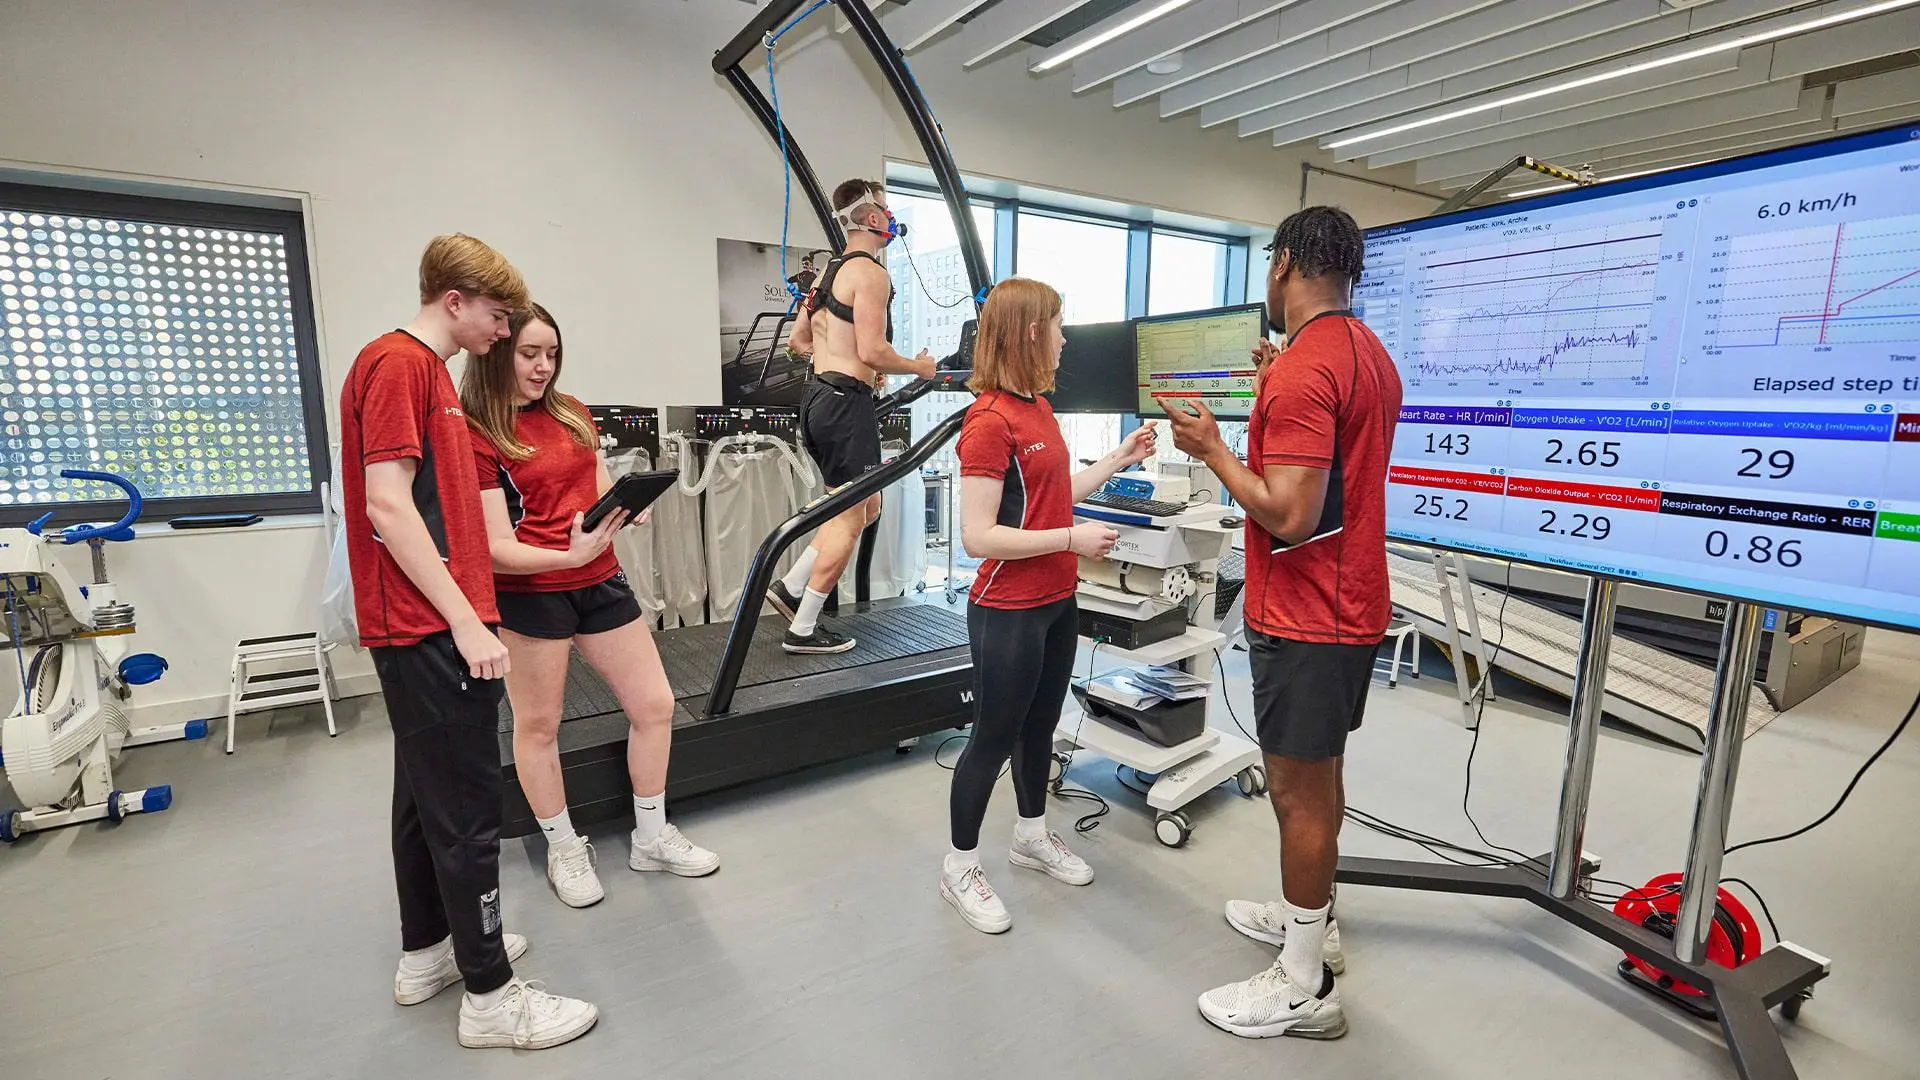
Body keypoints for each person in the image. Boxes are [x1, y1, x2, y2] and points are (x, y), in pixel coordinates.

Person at [339, 234, 597, 1049]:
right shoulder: (400, 364)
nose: (504, 331)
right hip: (424, 628)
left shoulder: (431, 378)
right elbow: (387, 506)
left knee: (422, 801)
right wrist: (463, 618)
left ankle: (430, 954)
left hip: (433, 621)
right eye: (497, 315)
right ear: (453, 301)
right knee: (468, 814)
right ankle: (491, 996)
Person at [1163, 207, 1402, 1040]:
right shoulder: (1361, 354)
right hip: (1350, 603)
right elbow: (1330, 471)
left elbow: (1292, 514)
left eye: (1269, 260)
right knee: (1320, 780)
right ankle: (1314, 921)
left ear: (1288, 262)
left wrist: (1212, 450)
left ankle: (1304, 985)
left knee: (1300, 795)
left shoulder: (1306, 373)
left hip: (1308, 613)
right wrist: (1278, 383)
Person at [462, 303, 721, 911]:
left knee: (656, 706)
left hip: (600, 579)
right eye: (529, 354)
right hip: (532, 594)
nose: (543, 367)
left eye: (551, 354)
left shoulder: (572, 411)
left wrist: (623, 507)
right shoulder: (477, 432)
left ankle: (651, 837)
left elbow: (596, 483)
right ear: (498, 350)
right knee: (539, 725)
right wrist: (565, 558)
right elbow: (496, 549)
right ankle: (564, 847)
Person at [940, 277, 1157, 934]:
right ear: (1032, 332)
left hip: (1057, 599)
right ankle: (959, 867)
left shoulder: (1036, 407)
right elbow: (978, 536)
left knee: (1041, 730)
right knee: (992, 739)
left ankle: (1030, 834)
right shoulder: (989, 421)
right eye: (1060, 326)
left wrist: (1120, 457)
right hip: (1007, 606)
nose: (1066, 338)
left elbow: (1058, 492)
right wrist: (1072, 538)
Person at [767, 179, 937, 655]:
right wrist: (917, 368)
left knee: (865, 505)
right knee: (848, 515)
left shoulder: (827, 273)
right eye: (887, 208)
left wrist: (852, 367)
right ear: (875, 218)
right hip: (844, 406)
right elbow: (874, 349)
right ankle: (802, 628)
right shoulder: (871, 275)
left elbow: (799, 340)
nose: (891, 216)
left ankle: (791, 586)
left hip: (819, 399)